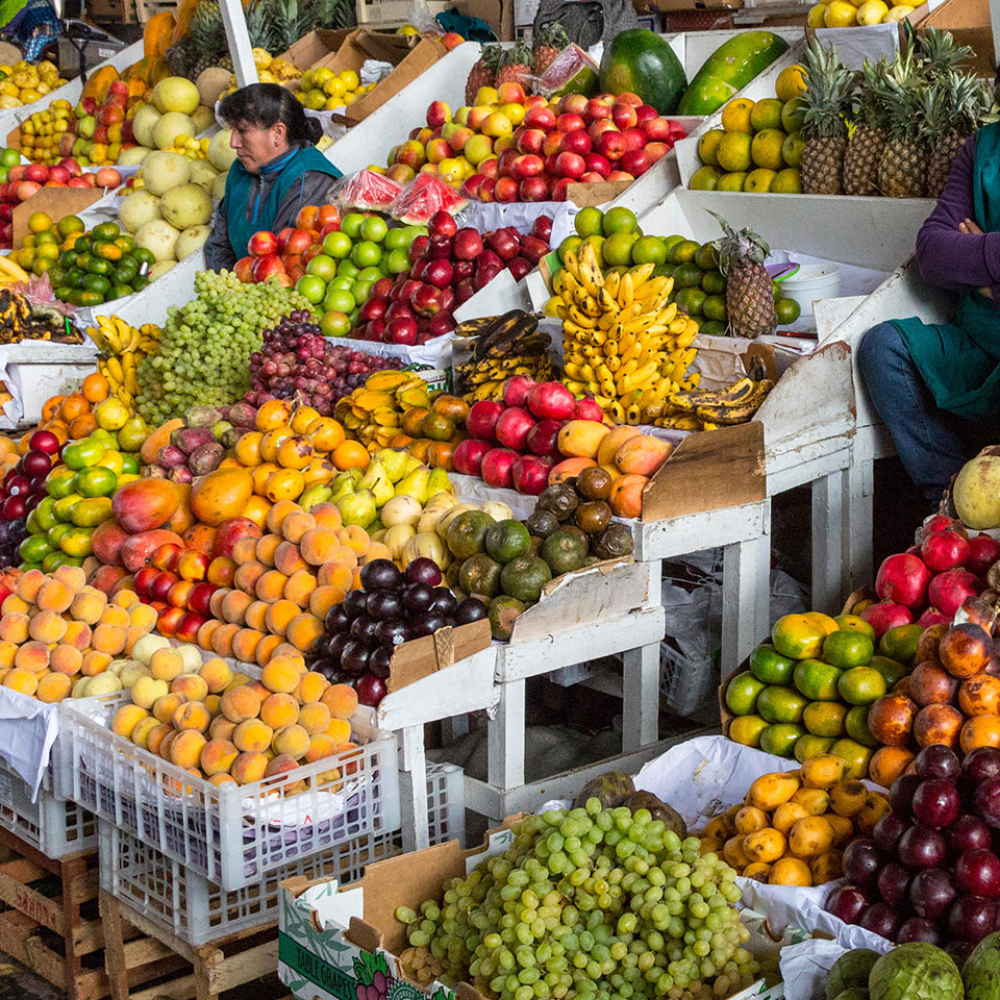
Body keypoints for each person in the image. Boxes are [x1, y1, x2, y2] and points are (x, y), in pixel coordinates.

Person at [857, 121, 1000, 504]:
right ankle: (951, 503)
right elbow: (933, 255)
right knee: (882, 347)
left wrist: (983, 271)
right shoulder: (983, 148)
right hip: (979, 343)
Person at [206, 83, 342, 272]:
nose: (233, 143)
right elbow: (218, 244)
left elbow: (283, 261)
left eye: (243, 132)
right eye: (232, 131)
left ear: (277, 133)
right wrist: (226, 285)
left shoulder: (309, 180)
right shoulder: (240, 170)